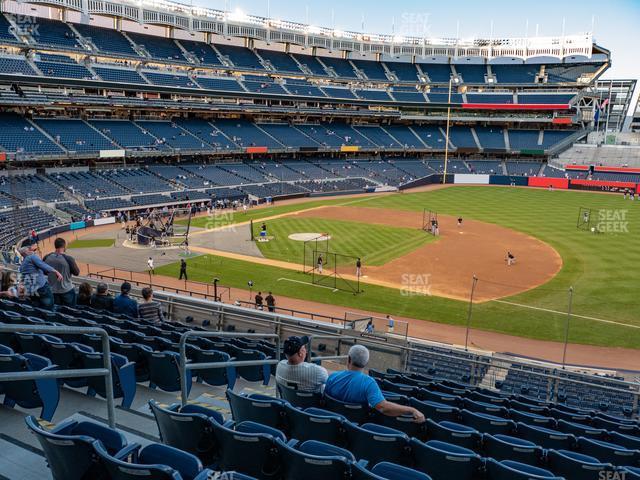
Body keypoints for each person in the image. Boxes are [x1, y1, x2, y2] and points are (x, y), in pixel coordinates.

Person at [324, 345, 425, 423]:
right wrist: (412, 410)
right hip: (354, 430)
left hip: (331, 423)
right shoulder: (369, 383)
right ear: (366, 363)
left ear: (349, 359)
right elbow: (384, 408)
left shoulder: (332, 377)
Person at [19, 244, 62, 310]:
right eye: (30, 250)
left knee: (37, 307)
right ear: (26, 252)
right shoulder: (31, 257)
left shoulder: (22, 264)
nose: (32, 251)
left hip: (31, 290)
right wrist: (56, 271)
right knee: (49, 306)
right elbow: (43, 265)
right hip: (41, 288)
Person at [44, 238, 80, 307]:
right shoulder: (69, 259)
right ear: (64, 246)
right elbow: (76, 273)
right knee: (71, 311)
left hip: (52, 290)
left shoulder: (47, 257)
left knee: (57, 310)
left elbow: (44, 271)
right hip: (67, 290)